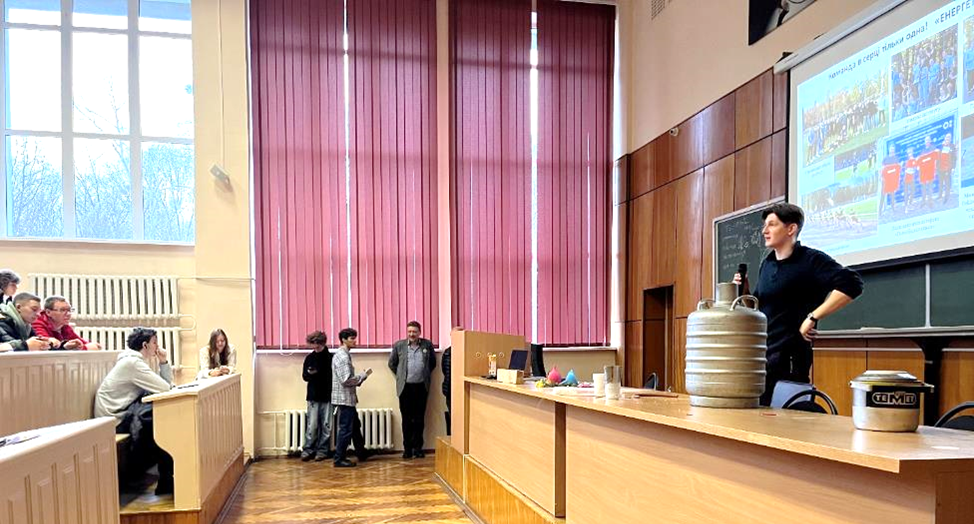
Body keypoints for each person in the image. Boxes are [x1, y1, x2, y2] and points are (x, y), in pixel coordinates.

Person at [736, 203, 863, 406]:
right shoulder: (767, 263)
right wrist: (745, 292)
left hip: (791, 361)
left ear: (791, 228)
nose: (764, 231)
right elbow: (759, 308)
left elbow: (852, 283)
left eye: (772, 225)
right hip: (762, 358)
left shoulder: (811, 260)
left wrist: (813, 317)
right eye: (764, 225)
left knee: (787, 417)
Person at [93, 327, 174, 495]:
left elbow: (165, 387)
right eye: (155, 343)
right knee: (162, 425)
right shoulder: (133, 363)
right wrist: (164, 363)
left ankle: (164, 479)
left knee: (159, 420)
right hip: (114, 418)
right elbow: (165, 388)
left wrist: (163, 362)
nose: (157, 347)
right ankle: (164, 479)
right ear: (145, 345)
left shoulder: (134, 361)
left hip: (120, 413)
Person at [388, 320, 437, 459]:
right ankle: (407, 449)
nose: (412, 334)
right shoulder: (399, 345)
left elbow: (432, 363)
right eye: (409, 331)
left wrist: (424, 374)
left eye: (414, 331)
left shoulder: (427, 345)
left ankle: (418, 448)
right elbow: (392, 363)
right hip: (405, 388)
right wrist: (401, 376)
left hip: (421, 387)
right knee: (407, 419)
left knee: (419, 419)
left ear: (419, 332)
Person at [331, 327, 373, 468]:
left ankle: (361, 452)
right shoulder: (343, 357)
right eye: (352, 338)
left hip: (347, 398)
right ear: (344, 340)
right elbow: (346, 380)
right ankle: (339, 459)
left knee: (355, 426)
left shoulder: (343, 354)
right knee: (346, 429)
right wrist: (362, 376)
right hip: (345, 399)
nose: (355, 341)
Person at [301, 330, 333, 462]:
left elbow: (332, 377)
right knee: (312, 425)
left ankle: (323, 450)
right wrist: (311, 374)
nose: (314, 346)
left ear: (322, 343)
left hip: (327, 395)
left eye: (316, 344)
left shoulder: (331, 358)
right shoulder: (309, 358)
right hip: (313, 395)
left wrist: (317, 373)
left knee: (326, 425)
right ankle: (308, 449)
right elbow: (304, 376)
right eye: (312, 344)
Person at [31, 296, 101, 351]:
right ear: (48, 312)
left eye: (69, 310)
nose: (68, 314)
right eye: (63, 310)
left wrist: (88, 345)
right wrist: (85, 348)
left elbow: (79, 342)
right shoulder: (37, 323)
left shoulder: (64, 325)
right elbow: (47, 347)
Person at [442, 346, 451, 436]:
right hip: (449, 389)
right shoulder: (447, 352)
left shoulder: (466, 350)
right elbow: (444, 370)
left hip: (462, 390)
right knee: (451, 415)